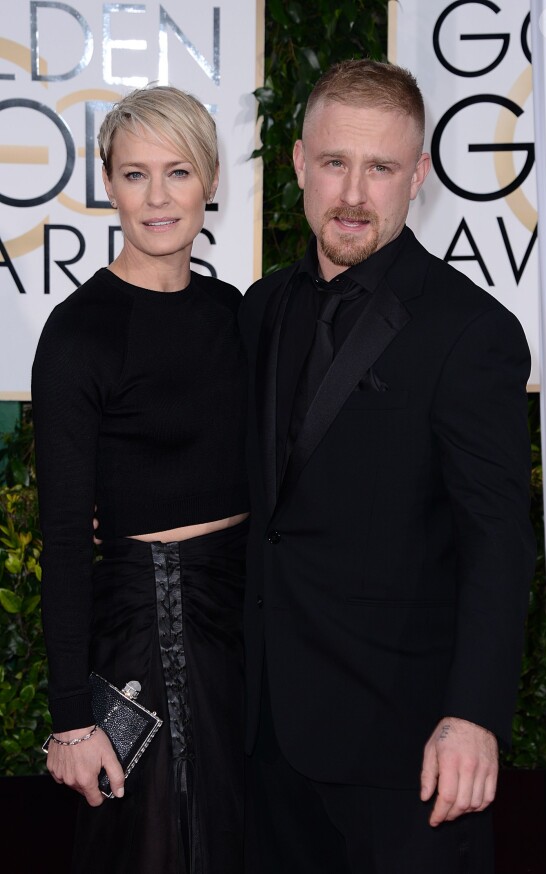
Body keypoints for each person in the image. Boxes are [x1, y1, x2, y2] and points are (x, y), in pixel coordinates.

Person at [239, 60, 536, 873]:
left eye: (382, 168)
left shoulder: (471, 332)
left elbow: (499, 542)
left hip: (404, 748)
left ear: (420, 178)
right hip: (266, 742)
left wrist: (474, 716)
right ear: (299, 162)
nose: (354, 195)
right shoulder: (260, 308)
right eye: (336, 163)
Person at [32, 85, 249, 873]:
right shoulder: (78, 336)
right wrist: (69, 721)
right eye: (134, 175)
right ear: (109, 184)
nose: (157, 198)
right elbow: (63, 538)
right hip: (138, 628)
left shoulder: (237, 315)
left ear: (212, 180)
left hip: (245, 627)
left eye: (179, 171)